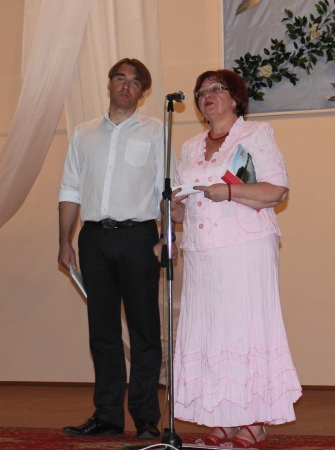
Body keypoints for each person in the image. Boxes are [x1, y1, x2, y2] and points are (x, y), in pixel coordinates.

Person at [169, 69, 301, 449]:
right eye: (201, 92)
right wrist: (173, 208)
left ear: (236, 98)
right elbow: (186, 212)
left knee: (245, 330)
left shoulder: (254, 135)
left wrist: (228, 192)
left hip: (245, 248)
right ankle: (225, 418)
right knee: (213, 332)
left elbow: (277, 191)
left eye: (216, 89)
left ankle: (255, 421)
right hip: (202, 253)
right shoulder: (189, 147)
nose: (206, 96)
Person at [58, 58, 164, 440]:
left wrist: (165, 239)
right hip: (93, 240)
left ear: (142, 92)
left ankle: (146, 417)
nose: (125, 86)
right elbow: (70, 188)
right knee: (102, 332)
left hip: (139, 239)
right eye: (120, 78)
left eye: (135, 82)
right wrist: (64, 241)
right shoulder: (83, 134)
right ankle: (107, 415)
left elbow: (166, 190)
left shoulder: (157, 132)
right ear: (109, 84)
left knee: (144, 331)